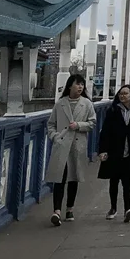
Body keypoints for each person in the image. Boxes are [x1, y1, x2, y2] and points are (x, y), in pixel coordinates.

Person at [45, 73, 96, 225]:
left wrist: (79, 125)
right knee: (59, 178)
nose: (80, 87)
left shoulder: (87, 104)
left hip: (77, 144)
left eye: (82, 84)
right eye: (77, 84)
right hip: (62, 144)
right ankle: (56, 211)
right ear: (69, 86)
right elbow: (50, 124)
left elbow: (92, 123)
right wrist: (55, 137)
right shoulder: (60, 103)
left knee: (74, 177)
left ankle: (70, 208)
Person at [98, 84, 130, 221]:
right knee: (114, 181)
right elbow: (105, 132)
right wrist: (103, 150)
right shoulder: (113, 110)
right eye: (121, 93)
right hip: (114, 150)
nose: (122, 96)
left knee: (127, 182)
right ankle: (113, 208)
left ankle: (127, 209)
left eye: (125, 93)